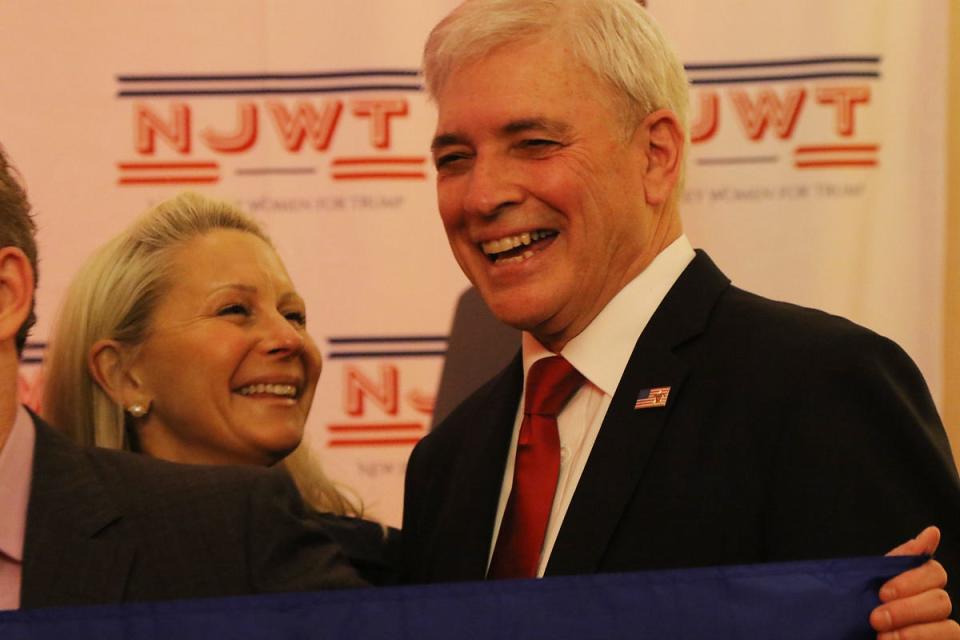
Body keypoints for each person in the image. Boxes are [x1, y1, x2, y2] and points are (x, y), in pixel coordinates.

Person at [401, 0, 960, 635]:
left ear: (656, 156)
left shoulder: (819, 388)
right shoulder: (445, 466)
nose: (482, 194)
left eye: (534, 144)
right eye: (454, 159)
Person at [0, 146, 366, 609]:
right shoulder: (79, 530)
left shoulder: (389, 565)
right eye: (235, 310)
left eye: (295, 315)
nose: (287, 340)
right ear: (124, 374)